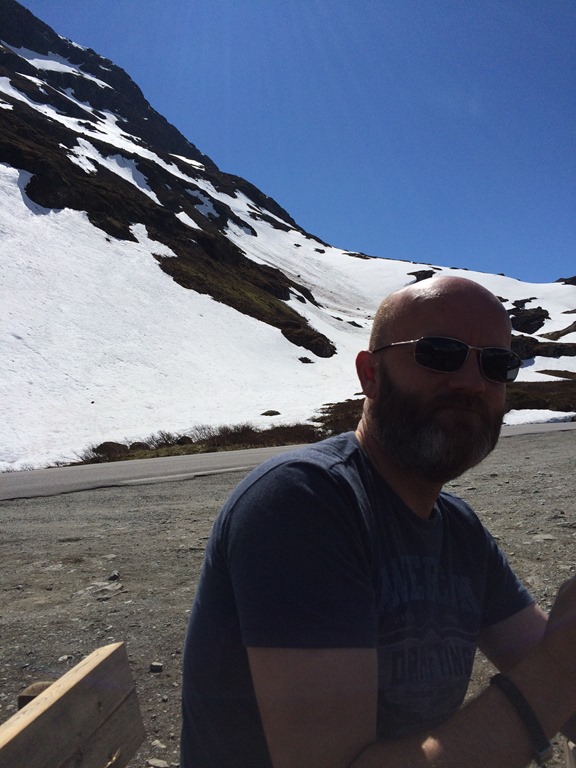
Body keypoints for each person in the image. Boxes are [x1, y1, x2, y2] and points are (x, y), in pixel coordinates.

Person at [181, 276, 576, 768]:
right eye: (440, 353)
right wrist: (557, 673)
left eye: (496, 364)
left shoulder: (459, 529)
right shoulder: (303, 502)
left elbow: (553, 669)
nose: (472, 383)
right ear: (370, 374)